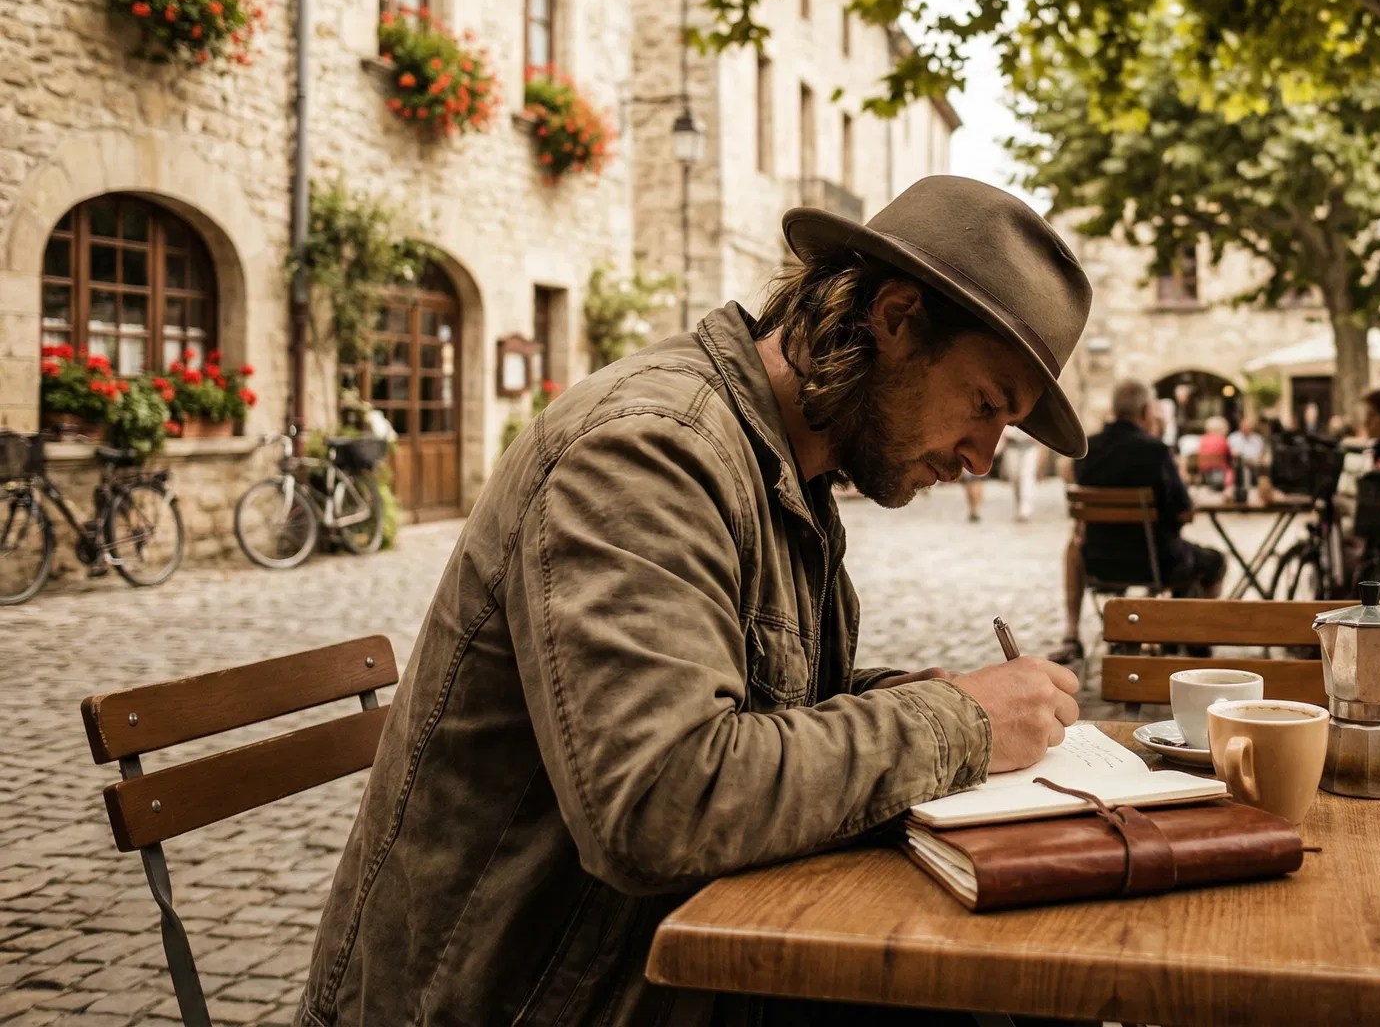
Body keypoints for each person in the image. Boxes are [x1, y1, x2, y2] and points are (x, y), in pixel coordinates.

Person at [298, 176, 1089, 1026]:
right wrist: (956, 722)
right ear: (895, 319)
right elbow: (659, 802)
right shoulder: (648, 451)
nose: (982, 458)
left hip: (658, 967)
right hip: (516, 1000)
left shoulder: (793, 468)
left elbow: (749, 701)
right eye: (985, 405)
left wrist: (895, 697)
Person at [1048, 379, 1226, 664]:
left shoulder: (1086, 449)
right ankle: (1195, 638)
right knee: (1214, 561)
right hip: (1157, 562)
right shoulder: (1154, 450)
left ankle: (1073, 633)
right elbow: (1182, 510)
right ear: (1146, 411)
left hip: (1099, 561)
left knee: (1075, 546)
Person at [1000, 423, 1041, 522]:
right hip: (1012, 446)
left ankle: (1025, 509)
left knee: (1026, 476)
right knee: (1014, 477)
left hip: (1029, 447)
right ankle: (1019, 506)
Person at [1195, 414, 1232, 487]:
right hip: (1219, 468)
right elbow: (1230, 454)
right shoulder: (1222, 439)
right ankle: (1228, 486)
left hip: (1204, 468)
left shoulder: (1203, 439)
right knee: (1231, 467)